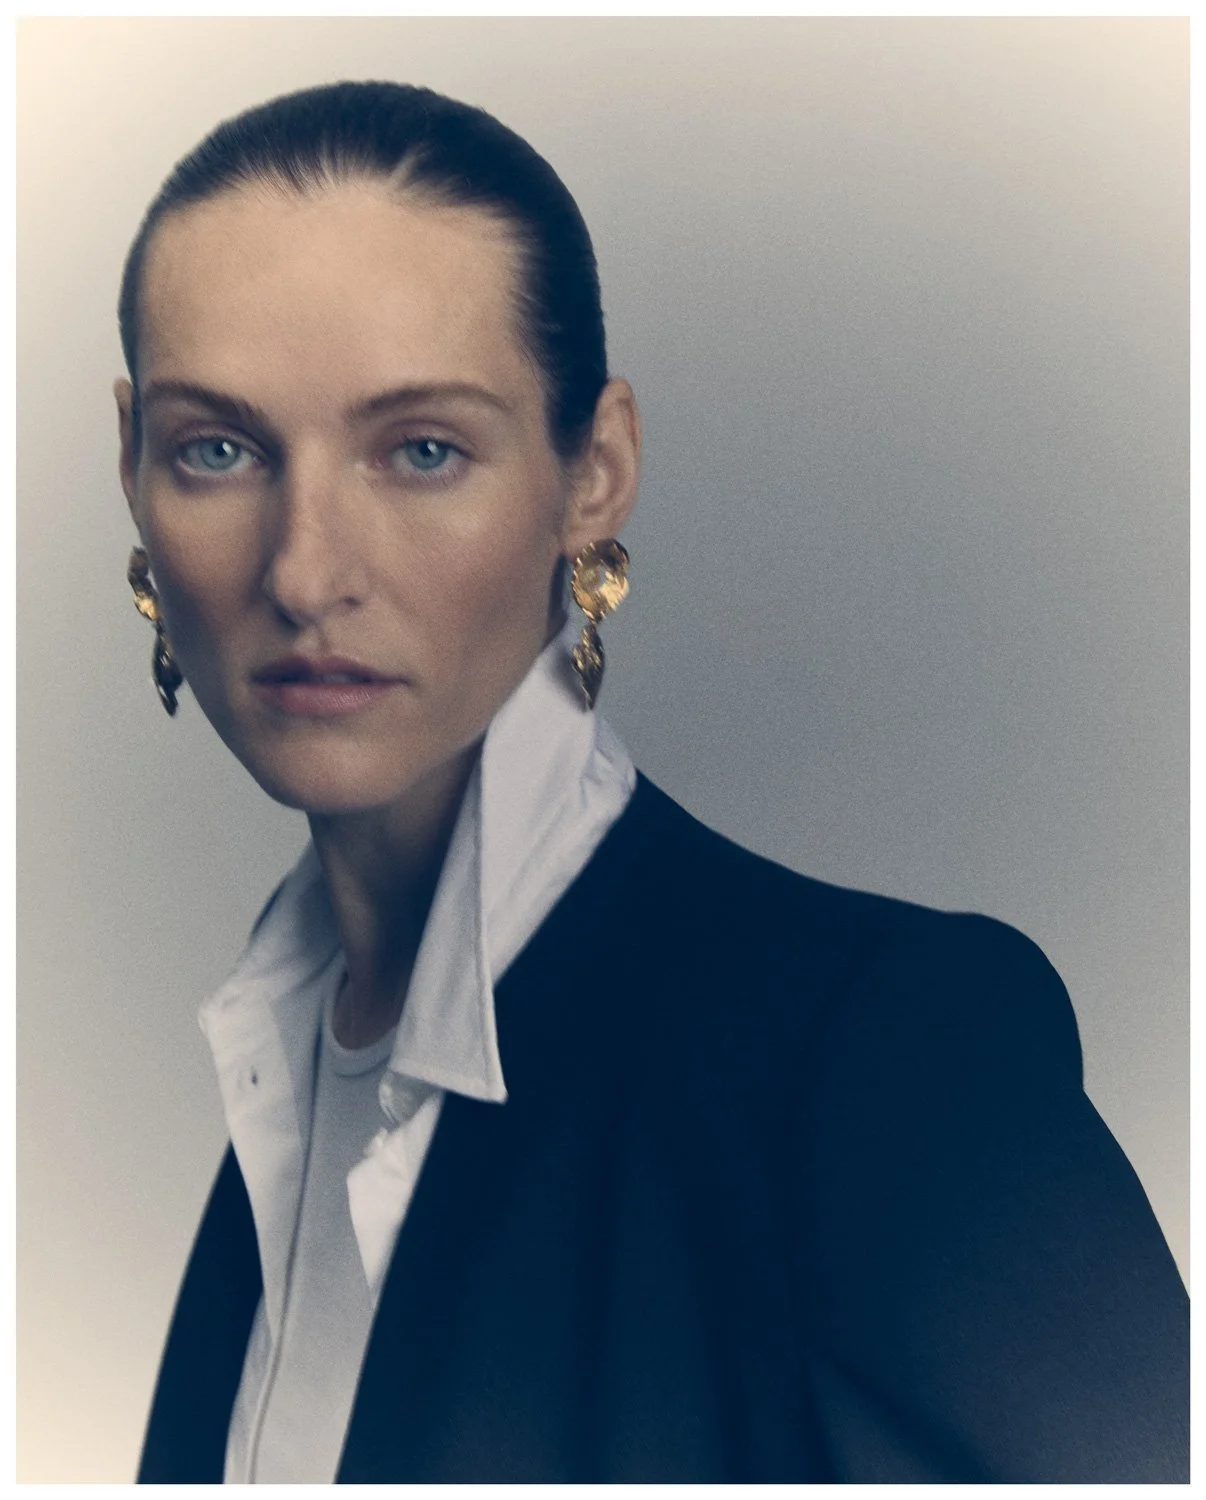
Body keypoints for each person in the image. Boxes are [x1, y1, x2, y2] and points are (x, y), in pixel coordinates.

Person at [118, 81, 1187, 1484]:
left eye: (422, 449)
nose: (305, 570)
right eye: (219, 448)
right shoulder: (293, 1061)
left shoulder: (879, 1059)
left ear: (593, 473)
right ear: (130, 463)